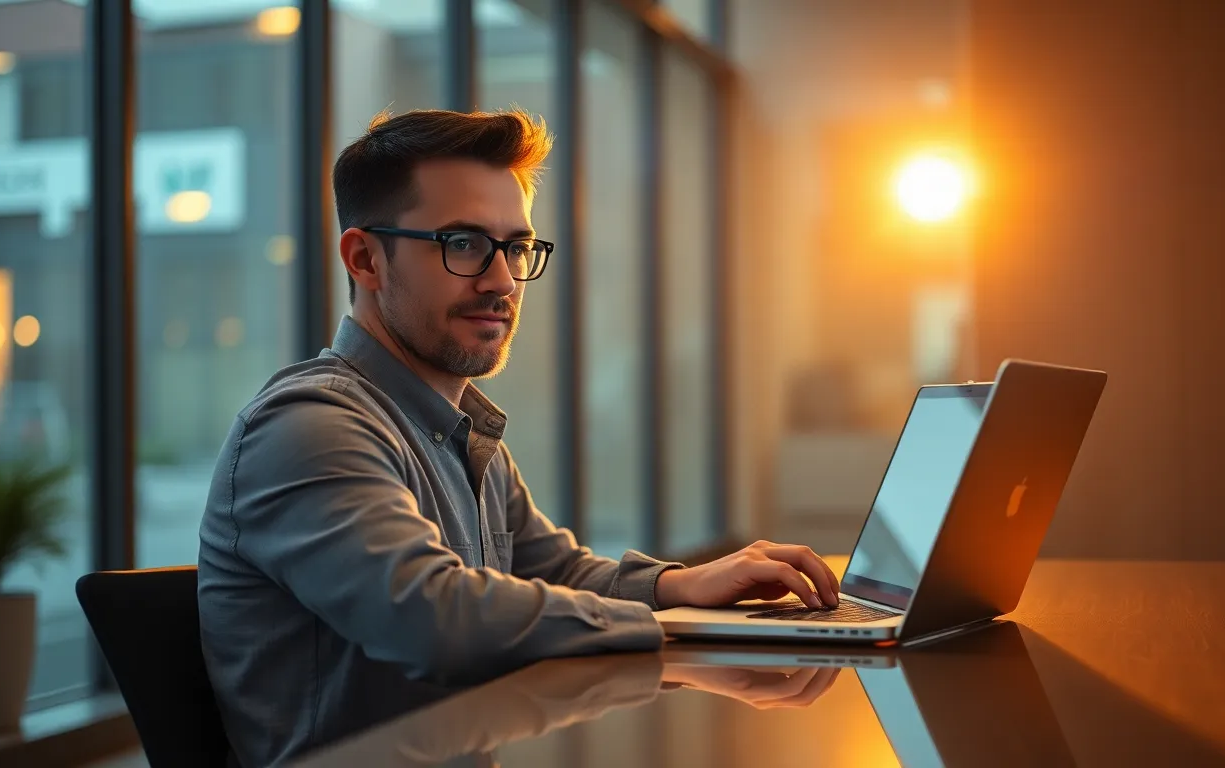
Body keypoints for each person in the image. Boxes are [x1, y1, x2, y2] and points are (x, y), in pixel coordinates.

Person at [197, 108, 839, 768]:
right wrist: (670, 627)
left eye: (516, 247)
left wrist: (684, 586)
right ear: (365, 259)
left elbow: (556, 573)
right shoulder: (311, 424)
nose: (503, 281)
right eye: (464, 244)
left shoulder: (463, 431)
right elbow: (432, 622)